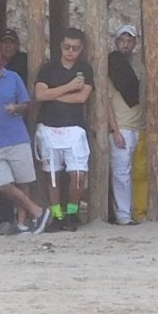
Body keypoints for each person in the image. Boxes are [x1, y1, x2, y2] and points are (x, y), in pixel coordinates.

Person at [0, 41, 53, 234]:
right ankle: (38, 211)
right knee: (1, 185)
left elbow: (26, 104)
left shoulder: (12, 77)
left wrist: (16, 108)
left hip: (16, 137)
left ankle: (22, 224)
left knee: (24, 181)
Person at [33, 27, 93, 232]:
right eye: (67, 47)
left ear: (81, 49)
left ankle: (72, 212)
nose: (70, 51)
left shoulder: (85, 69)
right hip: (49, 127)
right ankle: (58, 215)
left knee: (78, 175)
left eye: (75, 48)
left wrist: (53, 94)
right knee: (52, 175)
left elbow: (82, 98)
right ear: (60, 46)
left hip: (74, 128)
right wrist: (69, 87)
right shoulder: (48, 68)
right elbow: (39, 95)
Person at [106, 25, 146, 225]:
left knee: (139, 173)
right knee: (121, 172)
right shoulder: (111, 66)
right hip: (121, 126)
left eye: (129, 40)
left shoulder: (139, 65)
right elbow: (106, 101)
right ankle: (123, 214)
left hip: (140, 126)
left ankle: (138, 212)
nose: (126, 44)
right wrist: (115, 129)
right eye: (122, 40)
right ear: (116, 42)